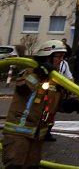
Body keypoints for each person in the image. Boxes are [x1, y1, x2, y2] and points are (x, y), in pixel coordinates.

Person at [1, 40, 69, 168]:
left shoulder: (56, 81)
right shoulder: (30, 72)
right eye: (58, 56)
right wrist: (38, 75)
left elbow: (53, 104)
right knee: (15, 166)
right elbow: (22, 88)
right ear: (48, 56)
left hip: (37, 136)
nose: (61, 60)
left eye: (63, 57)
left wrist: (67, 105)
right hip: (19, 134)